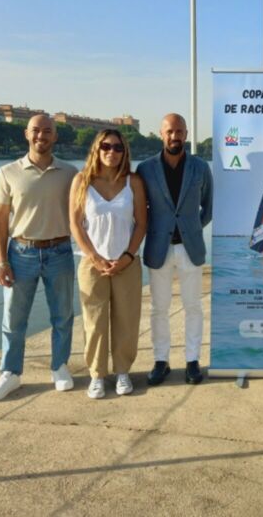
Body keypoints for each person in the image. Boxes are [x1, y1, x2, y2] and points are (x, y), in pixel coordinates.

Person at [0, 114, 78, 402]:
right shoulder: (7, 172)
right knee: (13, 318)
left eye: (47, 131)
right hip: (21, 252)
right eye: (36, 131)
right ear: (26, 134)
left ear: (55, 137)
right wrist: (2, 261)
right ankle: (10, 373)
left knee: (62, 315)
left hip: (60, 250)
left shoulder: (70, 172)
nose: (41, 136)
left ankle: (59, 367)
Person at [69, 130, 147, 399]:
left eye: (117, 147)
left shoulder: (133, 182)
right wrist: (95, 257)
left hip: (127, 262)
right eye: (105, 146)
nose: (111, 152)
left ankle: (123, 372)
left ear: (124, 152)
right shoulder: (82, 181)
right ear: (96, 149)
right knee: (94, 322)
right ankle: (97, 375)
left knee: (127, 319)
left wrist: (127, 256)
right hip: (92, 265)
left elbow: (142, 224)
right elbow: (76, 225)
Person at [136, 113, 212, 386]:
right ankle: (161, 360)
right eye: (170, 131)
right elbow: (139, 209)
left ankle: (192, 361)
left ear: (186, 134)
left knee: (193, 307)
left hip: (190, 248)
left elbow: (209, 206)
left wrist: (192, 227)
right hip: (159, 248)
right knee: (159, 308)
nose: (175, 136)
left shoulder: (200, 167)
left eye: (179, 131)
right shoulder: (145, 169)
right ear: (161, 134)